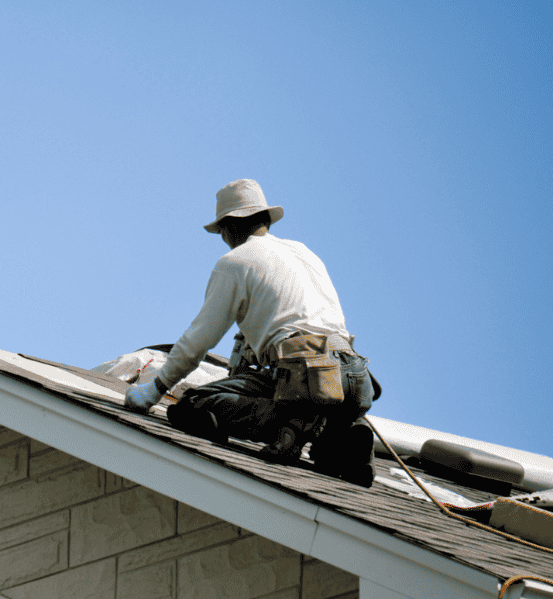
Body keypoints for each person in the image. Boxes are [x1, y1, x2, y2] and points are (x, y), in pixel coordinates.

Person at [123, 179, 377, 486]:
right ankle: (343, 433)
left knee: (193, 406)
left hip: (303, 375)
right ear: (265, 219)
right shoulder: (304, 252)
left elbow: (198, 340)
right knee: (324, 445)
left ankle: (289, 424)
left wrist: (153, 391)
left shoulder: (236, 262)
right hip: (353, 376)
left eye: (221, 233)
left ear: (230, 227)